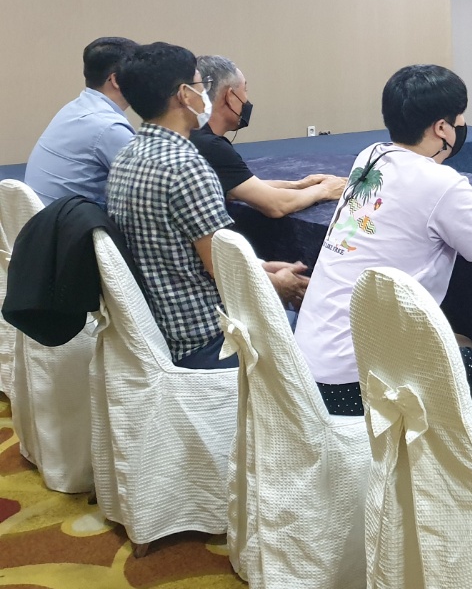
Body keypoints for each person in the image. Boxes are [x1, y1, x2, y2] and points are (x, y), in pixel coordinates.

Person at [293, 65, 472, 416]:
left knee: (460, 340)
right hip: (359, 385)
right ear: (442, 128)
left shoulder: (370, 157)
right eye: (460, 117)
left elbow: (443, 232)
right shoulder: (442, 184)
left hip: (305, 369)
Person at [106, 43, 307, 369]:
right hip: (209, 339)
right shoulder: (187, 166)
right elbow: (225, 272)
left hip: (157, 329)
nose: (206, 95)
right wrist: (281, 284)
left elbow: (199, 256)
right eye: (202, 86)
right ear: (185, 94)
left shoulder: (127, 156)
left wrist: (261, 267)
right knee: (319, 332)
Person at [191, 55, 346, 216]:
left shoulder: (193, 136)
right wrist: (325, 189)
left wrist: (299, 185)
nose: (246, 99)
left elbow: (239, 187)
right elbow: (277, 205)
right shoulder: (212, 147)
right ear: (230, 96)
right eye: (245, 90)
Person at [24, 37, 137, 207]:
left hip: (42, 218)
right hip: (66, 222)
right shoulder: (108, 127)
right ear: (116, 80)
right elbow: (151, 188)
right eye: (139, 73)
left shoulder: (77, 107)